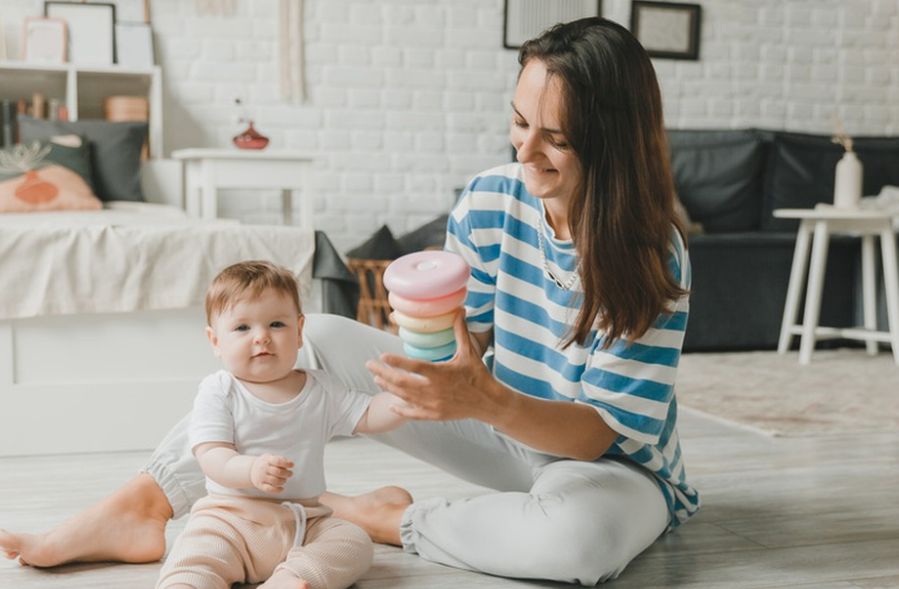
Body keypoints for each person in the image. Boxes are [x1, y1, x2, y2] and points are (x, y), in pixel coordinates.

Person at [0, 16, 697, 586]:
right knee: (320, 335)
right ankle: (139, 505)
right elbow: (467, 344)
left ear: (610, 142)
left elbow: (604, 429)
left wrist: (483, 400)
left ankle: (379, 519)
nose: (525, 153)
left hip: (606, 463)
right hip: (501, 428)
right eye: (519, 124)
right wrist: (431, 346)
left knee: (577, 546)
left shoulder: (650, 252)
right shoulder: (491, 201)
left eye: (557, 139)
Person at [164, 260, 407, 589]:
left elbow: (367, 414)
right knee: (196, 553)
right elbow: (211, 455)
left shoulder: (321, 388)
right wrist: (249, 469)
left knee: (352, 541)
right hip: (230, 521)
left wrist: (403, 399)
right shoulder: (220, 390)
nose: (262, 337)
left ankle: (292, 578)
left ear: (299, 331)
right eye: (242, 328)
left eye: (276, 324)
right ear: (215, 341)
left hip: (303, 523)